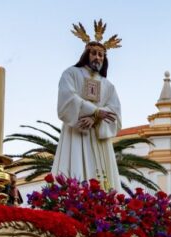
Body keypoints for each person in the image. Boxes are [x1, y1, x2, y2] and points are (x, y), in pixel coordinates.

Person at [53, 21, 122, 191]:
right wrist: (96, 111)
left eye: (101, 55)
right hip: (76, 130)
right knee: (74, 168)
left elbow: (115, 111)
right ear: (86, 54)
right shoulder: (71, 73)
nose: (97, 57)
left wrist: (95, 118)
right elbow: (68, 97)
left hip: (98, 136)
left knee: (103, 180)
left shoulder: (108, 85)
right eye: (93, 53)